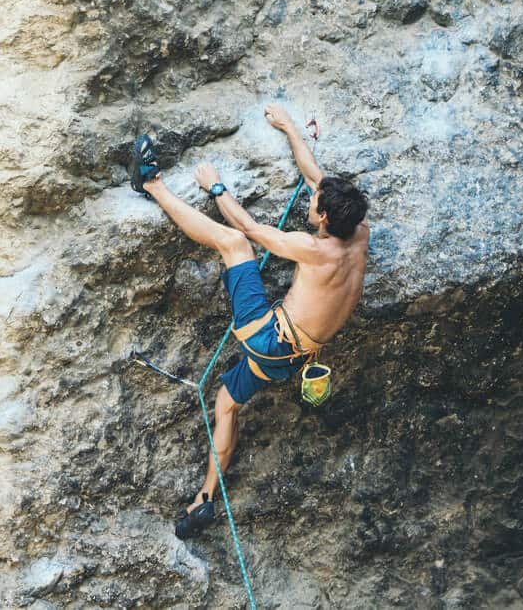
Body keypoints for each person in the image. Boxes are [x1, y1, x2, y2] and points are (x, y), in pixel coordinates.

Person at [128, 103, 370, 539]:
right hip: (294, 359)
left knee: (234, 244)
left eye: (315, 206)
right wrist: (290, 128)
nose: (311, 201)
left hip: (266, 337)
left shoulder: (316, 250)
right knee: (226, 404)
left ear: (325, 219)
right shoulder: (359, 229)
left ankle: (150, 184)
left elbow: (250, 228)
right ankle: (204, 498)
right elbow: (315, 175)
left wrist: (216, 186)